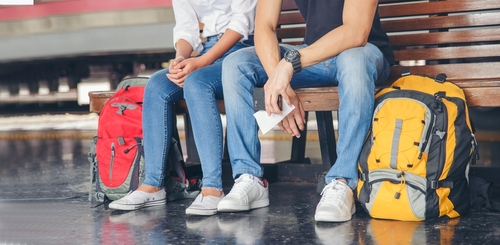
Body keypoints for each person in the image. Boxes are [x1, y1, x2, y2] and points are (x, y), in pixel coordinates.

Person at [217, 0, 394, 222]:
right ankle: (248, 176)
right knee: (237, 62)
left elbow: (356, 32)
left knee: (353, 59)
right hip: (313, 56)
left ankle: (342, 182)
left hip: (360, 52)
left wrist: (289, 65)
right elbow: (265, 27)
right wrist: (279, 80)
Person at [109, 0, 257, 215]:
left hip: (243, 51)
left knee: (197, 83)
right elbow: (186, 29)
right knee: (158, 84)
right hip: (208, 51)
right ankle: (153, 184)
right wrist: (181, 58)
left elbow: (242, 23)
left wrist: (202, 62)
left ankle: (212, 188)